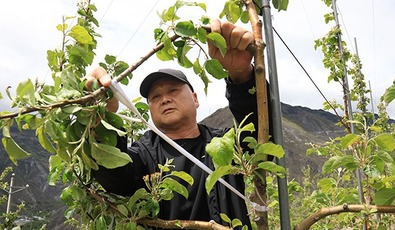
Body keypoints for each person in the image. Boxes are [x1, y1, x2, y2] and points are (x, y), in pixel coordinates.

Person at [86, 19, 260, 229]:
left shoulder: (224, 144)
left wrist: (242, 75)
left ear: (195, 99)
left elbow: (260, 134)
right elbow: (116, 176)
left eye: (173, 91)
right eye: (155, 97)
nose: (165, 99)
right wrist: (100, 121)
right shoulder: (144, 154)